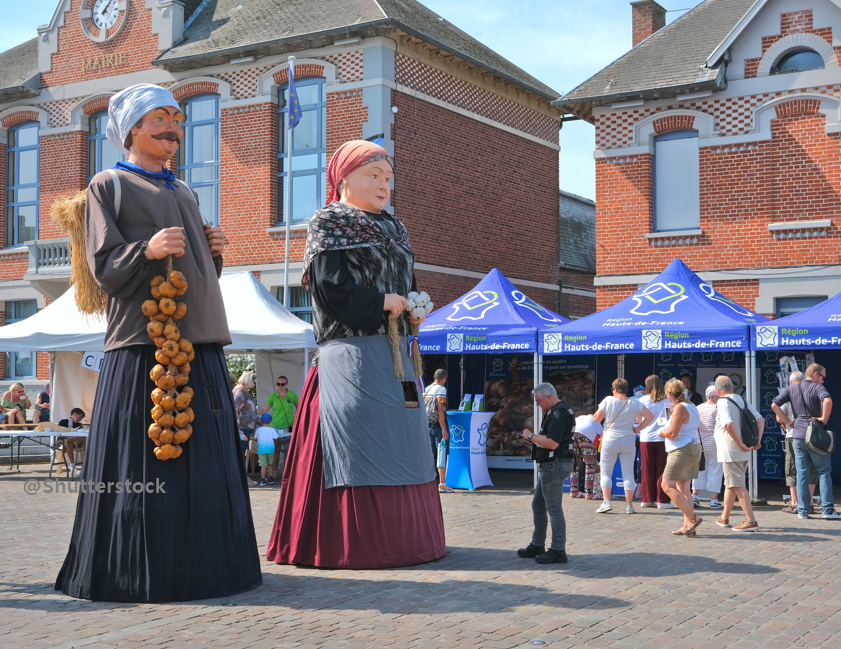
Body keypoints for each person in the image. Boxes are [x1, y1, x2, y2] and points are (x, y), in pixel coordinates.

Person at [55, 83, 261, 601]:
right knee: (146, 464)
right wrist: (145, 249)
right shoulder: (110, 184)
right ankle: (135, 571)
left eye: (176, 117)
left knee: (206, 463)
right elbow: (104, 266)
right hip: (145, 347)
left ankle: (211, 569)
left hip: (203, 345)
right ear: (131, 131)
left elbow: (195, 273)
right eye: (160, 119)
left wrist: (212, 255)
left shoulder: (186, 191)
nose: (173, 126)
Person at [267, 139, 445, 569]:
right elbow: (330, 291)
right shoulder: (329, 224)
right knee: (358, 441)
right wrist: (381, 302)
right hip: (352, 355)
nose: (385, 184)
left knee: (406, 441)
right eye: (374, 176)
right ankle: (355, 543)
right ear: (344, 178)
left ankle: (409, 541)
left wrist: (412, 309)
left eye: (388, 177)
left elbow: (406, 283)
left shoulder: (396, 229)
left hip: (397, 354)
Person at [517, 383, 576, 564]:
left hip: (554, 464)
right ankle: (537, 544)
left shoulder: (558, 414)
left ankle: (558, 549)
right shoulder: (558, 411)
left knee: (553, 508)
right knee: (539, 505)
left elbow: (552, 443)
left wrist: (530, 436)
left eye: (538, 401)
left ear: (549, 397)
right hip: (552, 464)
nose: (537, 405)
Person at [772, 363, 837, 520]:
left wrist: (788, 422)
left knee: (801, 473)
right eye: (822, 377)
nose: (823, 381)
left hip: (797, 434)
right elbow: (827, 401)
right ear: (815, 374)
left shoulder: (792, 388)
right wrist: (823, 419)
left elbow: (774, 404)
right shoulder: (817, 388)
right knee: (823, 471)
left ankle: (802, 510)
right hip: (814, 433)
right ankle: (827, 510)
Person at [593, 378, 654, 514]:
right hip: (628, 440)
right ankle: (629, 505)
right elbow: (650, 416)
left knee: (606, 473)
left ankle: (607, 502)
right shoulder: (634, 403)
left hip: (610, 440)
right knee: (628, 473)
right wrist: (639, 429)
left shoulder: (608, 400)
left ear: (615, 389)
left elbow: (597, 418)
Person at [714, 375, 764, 531]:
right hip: (743, 449)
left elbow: (728, 424)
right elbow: (760, 419)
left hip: (731, 449)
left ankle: (751, 520)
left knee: (737, 484)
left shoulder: (722, 402)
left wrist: (739, 443)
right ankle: (724, 517)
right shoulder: (741, 400)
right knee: (731, 484)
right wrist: (756, 441)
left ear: (717, 390)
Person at [659, 379, 702, 535]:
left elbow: (672, 433)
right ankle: (688, 526)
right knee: (684, 489)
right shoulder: (692, 406)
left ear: (670, 394)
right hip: (693, 447)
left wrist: (661, 432)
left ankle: (693, 518)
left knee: (667, 486)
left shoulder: (679, 408)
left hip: (681, 449)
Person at [774, 372, 816, 514]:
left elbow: (778, 418)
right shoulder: (812, 392)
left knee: (792, 468)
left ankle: (796, 502)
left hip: (793, 435)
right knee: (810, 468)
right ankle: (809, 502)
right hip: (811, 435)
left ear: (791, 383)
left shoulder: (788, 395)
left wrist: (789, 422)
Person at [637, 375, 672, 509]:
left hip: (646, 437)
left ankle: (647, 499)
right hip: (662, 438)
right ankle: (662, 500)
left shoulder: (643, 400)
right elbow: (669, 420)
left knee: (646, 470)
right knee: (662, 470)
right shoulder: (668, 401)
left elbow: (639, 420)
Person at [259, 375, 299, 476]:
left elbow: (299, 408)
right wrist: (254, 413)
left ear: (286, 384)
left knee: (288, 449)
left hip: (289, 425)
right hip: (275, 426)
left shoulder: (293, 395)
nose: (280, 386)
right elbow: (264, 409)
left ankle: (287, 471)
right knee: (276, 449)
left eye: (282, 384)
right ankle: (275, 471)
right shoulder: (273, 396)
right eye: (278, 384)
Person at [692, 386, 724, 510]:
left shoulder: (697, 408)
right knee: (715, 471)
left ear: (706, 396)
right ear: (717, 397)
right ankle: (714, 500)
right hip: (715, 444)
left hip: (700, 444)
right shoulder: (718, 409)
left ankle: (695, 496)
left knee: (699, 471)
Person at [424, 369, 452, 493]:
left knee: (429, 454)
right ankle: (442, 483)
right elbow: (440, 411)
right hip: (437, 426)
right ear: (444, 378)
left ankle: (427, 482)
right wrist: (444, 429)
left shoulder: (427, 389)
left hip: (427, 425)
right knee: (441, 453)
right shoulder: (441, 390)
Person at [234, 371, 259, 457]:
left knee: (242, 451)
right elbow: (235, 411)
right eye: (253, 381)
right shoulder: (239, 393)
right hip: (242, 428)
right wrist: (238, 429)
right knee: (240, 453)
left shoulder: (244, 391)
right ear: (249, 380)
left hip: (246, 427)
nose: (254, 384)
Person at [570, 431, 599, 499]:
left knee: (575, 464)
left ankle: (573, 491)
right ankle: (589, 493)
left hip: (573, 434)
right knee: (590, 464)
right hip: (587, 435)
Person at [58, 408, 86, 478]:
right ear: (75, 414)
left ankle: (73, 468)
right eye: (80, 416)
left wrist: (67, 437)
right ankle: (72, 467)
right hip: (67, 443)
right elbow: (59, 434)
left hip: (75, 442)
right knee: (69, 443)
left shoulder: (79, 425)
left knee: (77, 438)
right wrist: (71, 437)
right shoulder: (63, 422)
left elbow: (81, 437)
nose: (81, 419)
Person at [254, 413, 279, 487]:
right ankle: (271, 479)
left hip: (262, 449)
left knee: (263, 465)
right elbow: (276, 438)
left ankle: (263, 479)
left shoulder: (258, 430)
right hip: (270, 449)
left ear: (261, 421)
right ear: (270, 421)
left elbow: (255, 438)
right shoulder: (272, 430)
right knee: (270, 464)